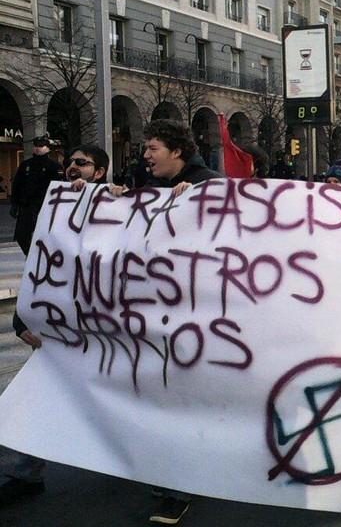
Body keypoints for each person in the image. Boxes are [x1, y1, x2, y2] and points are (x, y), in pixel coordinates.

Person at [115, 119, 222, 524]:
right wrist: (114, 201)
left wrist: (200, 202)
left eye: (153, 147)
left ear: (176, 151)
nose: (145, 154)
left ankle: (181, 487)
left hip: (199, 319)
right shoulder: (153, 190)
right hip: (157, 315)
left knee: (183, 402)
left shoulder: (209, 184)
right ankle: (167, 474)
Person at [0, 144, 108, 510]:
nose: (73, 167)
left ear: (101, 171)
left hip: (106, 334)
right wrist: (20, 321)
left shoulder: (120, 208)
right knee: (30, 401)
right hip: (60, 332)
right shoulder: (52, 207)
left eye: (83, 163)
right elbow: (38, 271)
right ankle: (24, 473)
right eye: (71, 162)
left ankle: (164, 477)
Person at [10, 136, 64, 256]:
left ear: (47, 148)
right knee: (22, 235)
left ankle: (44, 259)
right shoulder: (26, 165)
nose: (38, 148)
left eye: (41, 146)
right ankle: (31, 257)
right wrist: (15, 204)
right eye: (36, 146)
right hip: (27, 205)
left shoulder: (54, 167)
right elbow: (18, 185)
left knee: (46, 236)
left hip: (46, 206)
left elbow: (59, 188)